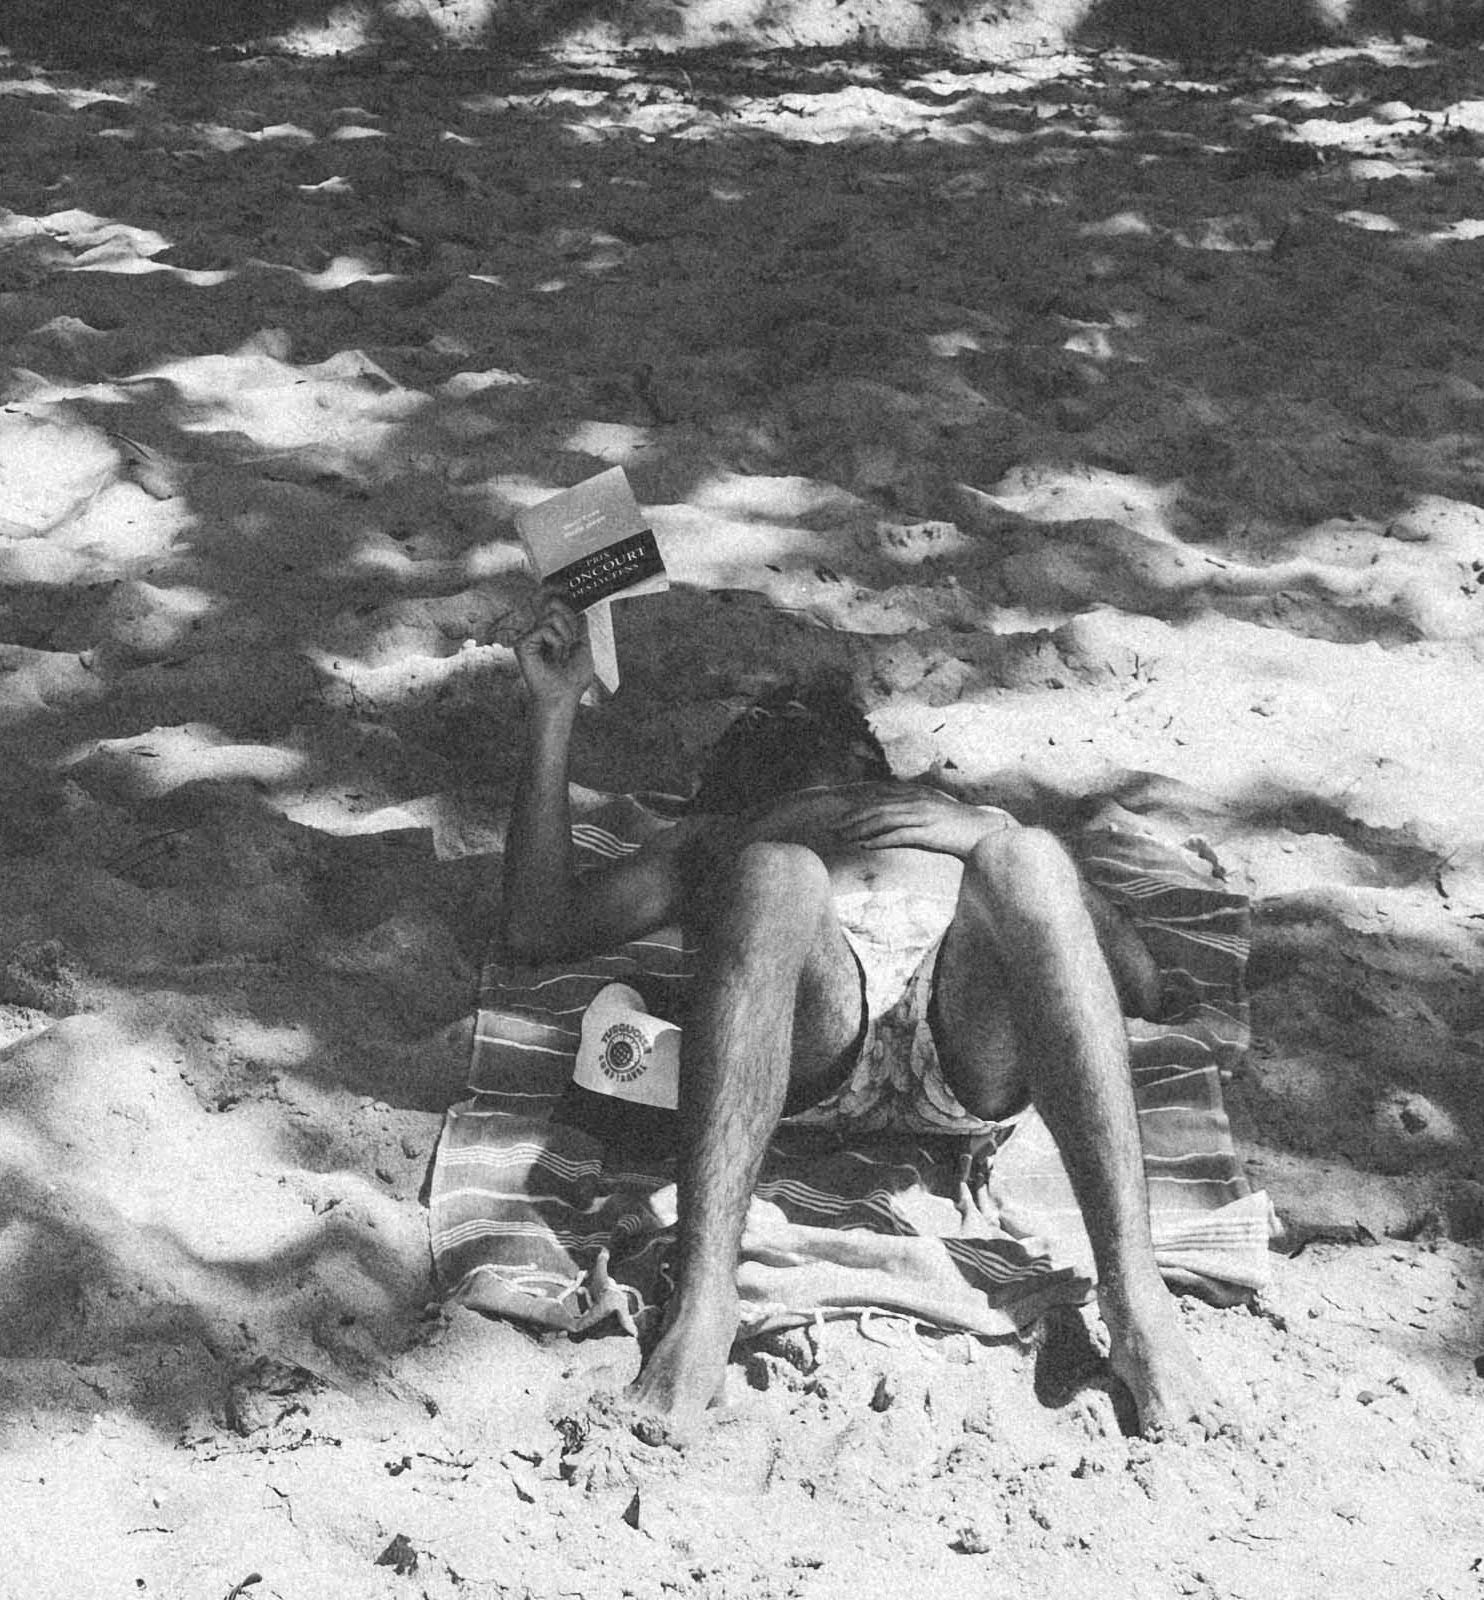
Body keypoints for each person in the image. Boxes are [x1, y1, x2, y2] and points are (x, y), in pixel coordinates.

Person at [499, 603, 1207, 1442]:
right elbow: (538, 928)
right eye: (782, 737)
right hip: (805, 1045)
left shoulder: (958, 823)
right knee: (777, 873)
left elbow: (1136, 979)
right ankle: (705, 1298)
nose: (815, 748)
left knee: (1031, 859)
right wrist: (552, 709)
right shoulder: (722, 839)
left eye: (832, 739)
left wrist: (986, 832)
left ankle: (1135, 1297)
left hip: (960, 1038)